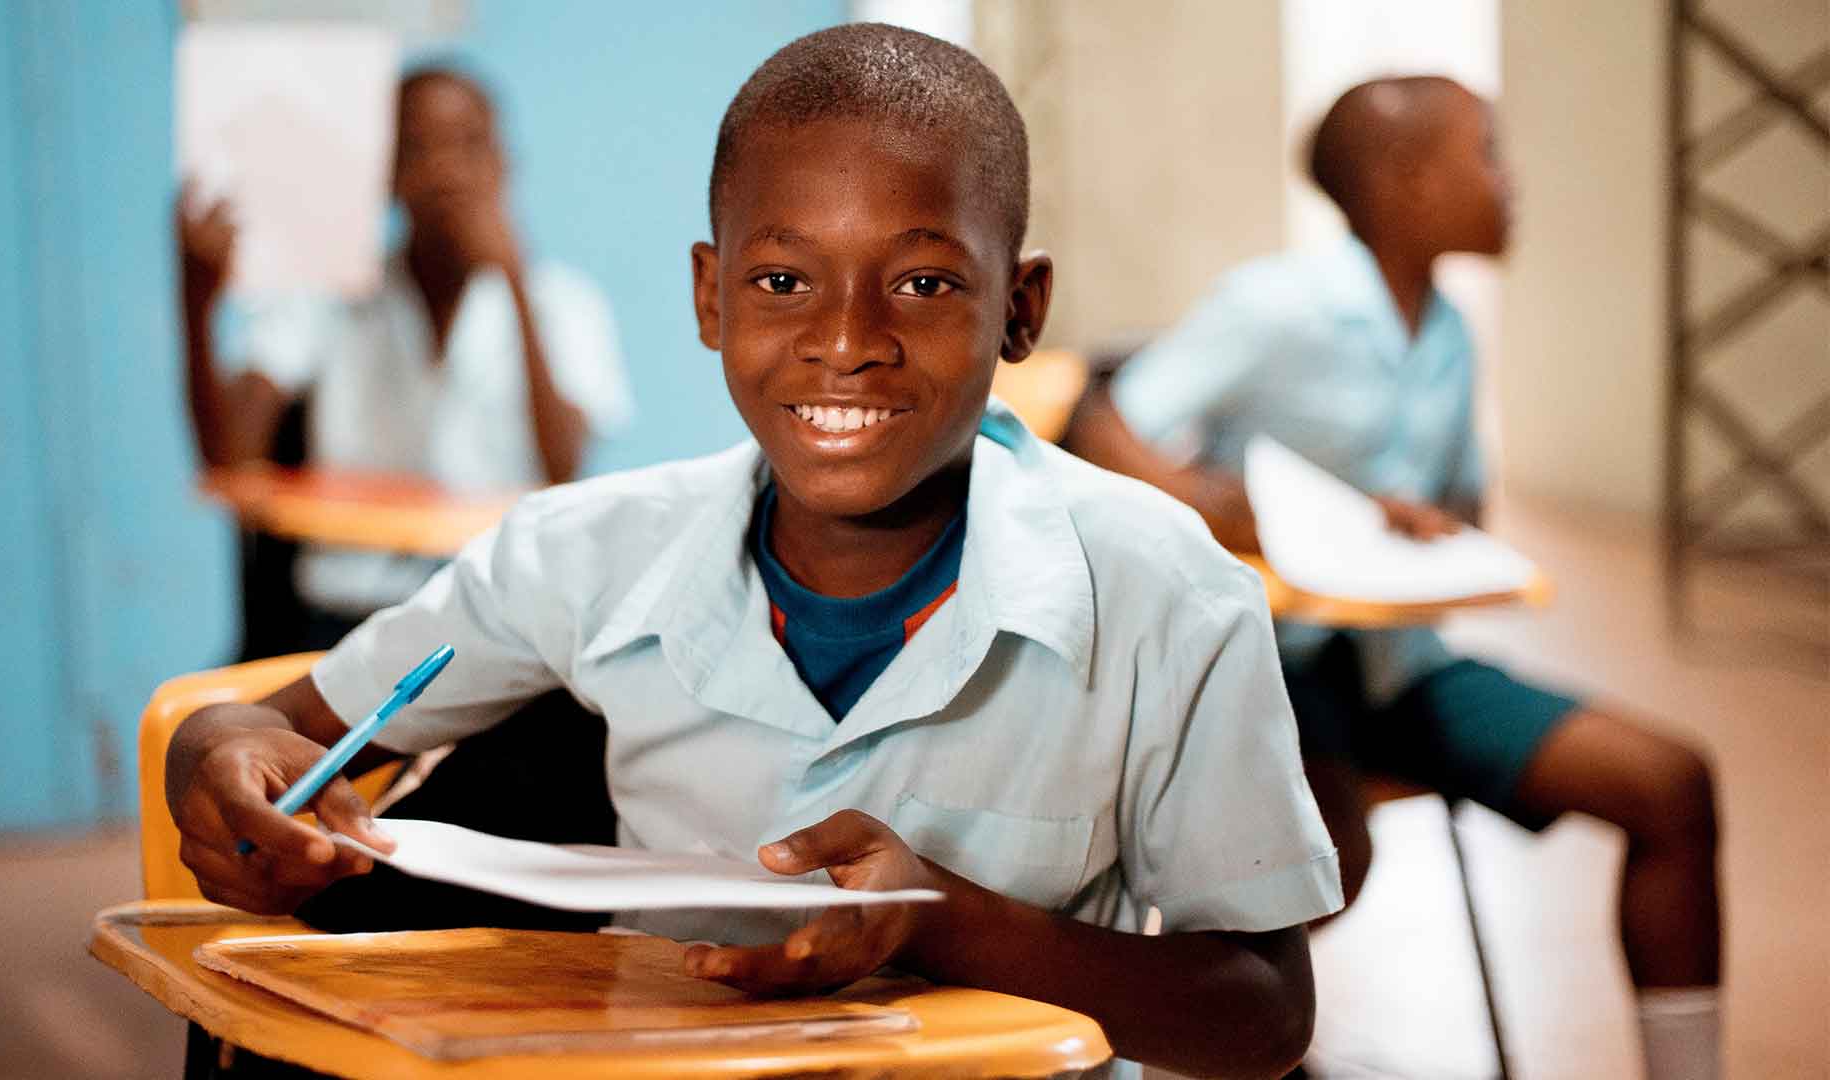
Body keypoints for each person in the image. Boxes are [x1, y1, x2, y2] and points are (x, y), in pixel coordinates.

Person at [164, 25, 1345, 1079]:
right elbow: (260, 729)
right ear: (710, 297)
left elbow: (1262, 1011)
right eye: (783, 280)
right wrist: (225, 777)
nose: (845, 341)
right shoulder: (586, 551)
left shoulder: (1164, 594)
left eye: (925, 283)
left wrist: (943, 920)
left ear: (1021, 310)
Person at [1064, 76, 1723, 1080]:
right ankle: (1200, 1036)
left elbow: (1461, 513)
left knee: (1671, 785)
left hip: (1400, 668)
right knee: (1328, 860)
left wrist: (1432, 526)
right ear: (1410, 186)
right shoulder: (1276, 306)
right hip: (1277, 671)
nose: (1511, 181)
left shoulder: (1451, 334)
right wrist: (1224, 503)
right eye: (1489, 154)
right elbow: (1099, 424)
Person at [178, 66, 633, 654]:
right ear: (387, 176)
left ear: (504, 164)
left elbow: (564, 465)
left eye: (469, 145)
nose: (446, 169)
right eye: (419, 147)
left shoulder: (563, 304)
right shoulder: (329, 297)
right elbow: (231, 459)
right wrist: (196, 301)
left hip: (499, 621)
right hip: (344, 618)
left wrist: (514, 281)